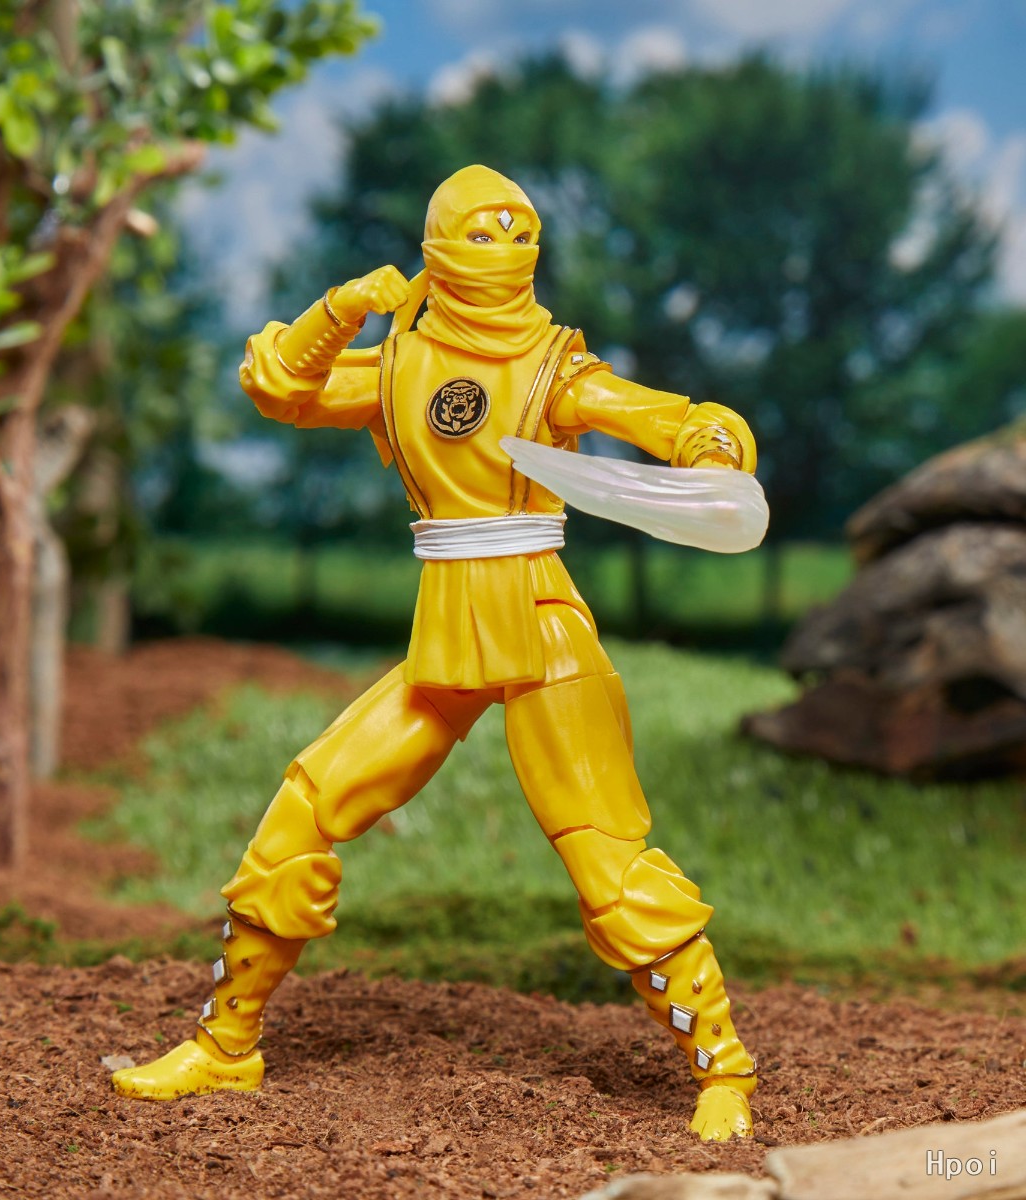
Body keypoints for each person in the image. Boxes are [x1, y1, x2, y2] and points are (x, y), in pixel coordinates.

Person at [113, 165, 759, 1141]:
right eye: (484, 234)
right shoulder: (397, 366)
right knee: (305, 809)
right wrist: (342, 308)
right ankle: (226, 1044)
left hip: (542, 628)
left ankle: (724, 1069)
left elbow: (662, 416)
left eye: (520, 234)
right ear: (439, 248)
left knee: (609, 863)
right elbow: (279, 387)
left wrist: (712, 451)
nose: (505, 252)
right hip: (446, 632)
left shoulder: (554, 367)